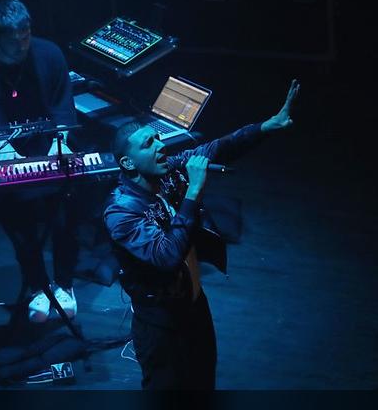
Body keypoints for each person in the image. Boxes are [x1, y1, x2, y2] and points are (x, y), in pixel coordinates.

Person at [103, 79, 300, 389]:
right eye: (148, 144)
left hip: (195, 309)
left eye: (158, 138)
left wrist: (266, 127)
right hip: (161, 325)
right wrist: (194, 192)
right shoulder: (121, 212)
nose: (161, 146)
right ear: (127, 163)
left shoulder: (169, 173)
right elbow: (166, 256)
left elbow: (219, 147)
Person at [0, 0, 79, 323]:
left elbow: (63, 104)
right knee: (20, 224)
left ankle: (65, 285)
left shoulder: (49, 54)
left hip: (48, 145)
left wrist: (62, 141)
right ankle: (39, 287)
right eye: (14, 44)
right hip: (3, 152)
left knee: (65, 217)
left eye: (26, 37)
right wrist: (0, 145)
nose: (22, 47)